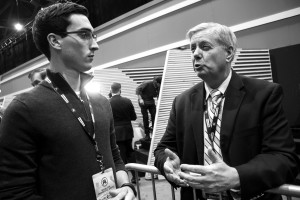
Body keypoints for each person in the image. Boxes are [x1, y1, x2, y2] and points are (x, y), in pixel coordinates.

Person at [0, 2, 136, 200]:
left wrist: (126, 186)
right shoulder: (24, 109)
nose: (95, 44)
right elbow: (14, 193)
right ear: (55, 41)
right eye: (83, 35)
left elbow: (115, 156)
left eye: (93, 35)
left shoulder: (101, 102)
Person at [154, 22, 299, 200]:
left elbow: (283, 157)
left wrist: (237, 176)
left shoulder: (264, 94)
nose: (196, 54)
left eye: (205, 47)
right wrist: (166, 164)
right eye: (192, 49)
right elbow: (163, 149)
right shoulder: (181, 102)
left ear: (229, 53)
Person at [109, 82, 139, 184]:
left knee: (120, 155)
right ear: (120, 89)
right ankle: (135, 176)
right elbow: (133, 117)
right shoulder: (127, 101)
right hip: (127, 130)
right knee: (130, 152)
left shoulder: (108, 102)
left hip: (116, 132)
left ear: (111, 90)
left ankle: (124, 180)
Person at [136, 76, 161, 141]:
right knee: (145, 117)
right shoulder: (147, 83)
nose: (159, 85)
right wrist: (140, 99)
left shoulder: (158, 86)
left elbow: (158, 95)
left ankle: (154, 133)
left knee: (154, 116)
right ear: (155, 82)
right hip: (143, 101)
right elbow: (138, 90)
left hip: (151, 101)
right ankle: (147, 135)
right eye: (158, 84)